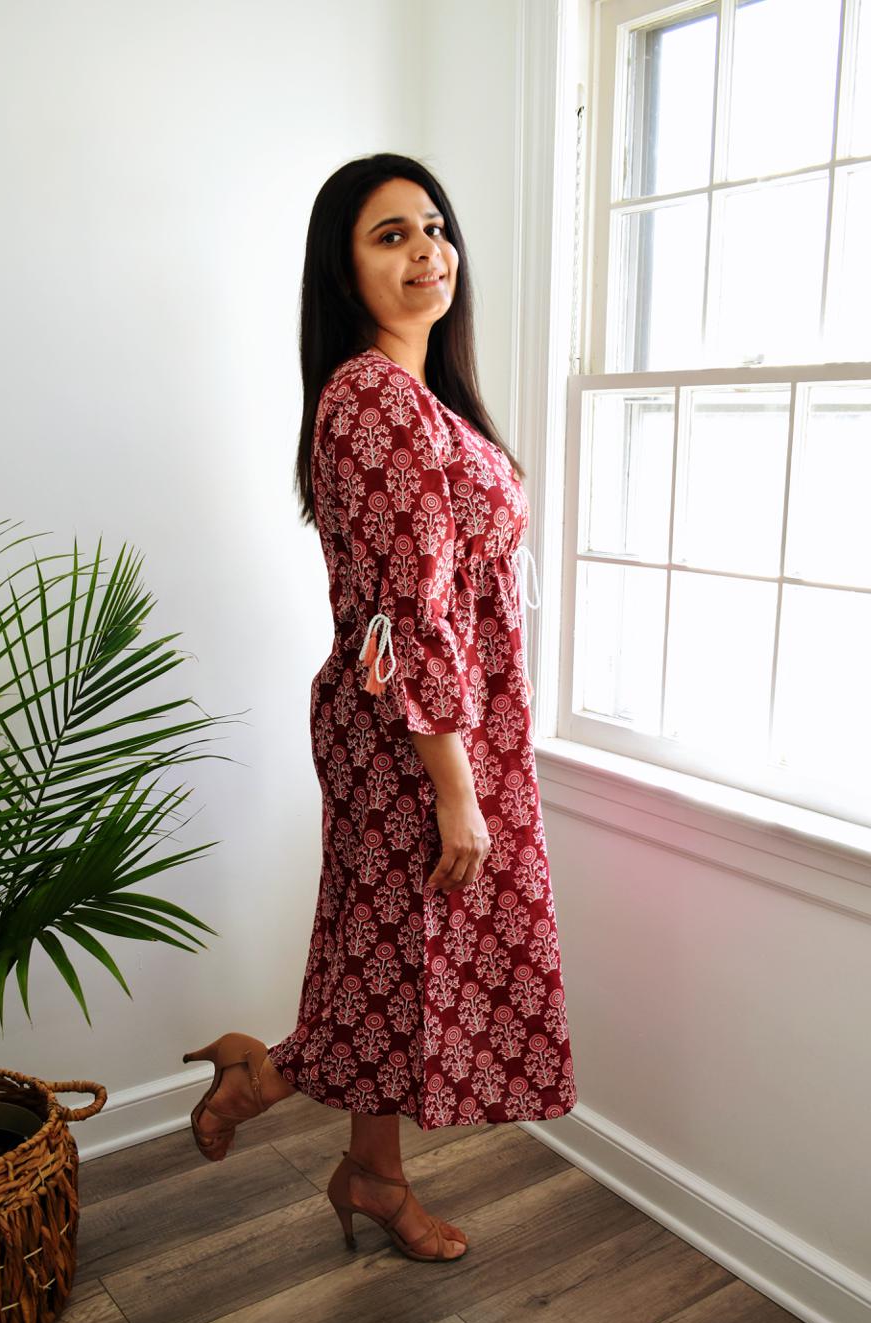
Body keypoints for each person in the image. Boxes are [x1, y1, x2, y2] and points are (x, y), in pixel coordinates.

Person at [183, 153, 577, 1263]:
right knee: (399, 959)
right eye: (391, 235)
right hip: (415, 734)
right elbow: (413, 611)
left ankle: (369, 1170)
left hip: (429, 722)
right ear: (342, 269)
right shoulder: (373, 397)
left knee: (401, 959)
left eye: (435, 228)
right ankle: (265, 1079)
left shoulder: (420, 397)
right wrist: (457, 786)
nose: (427, 251)